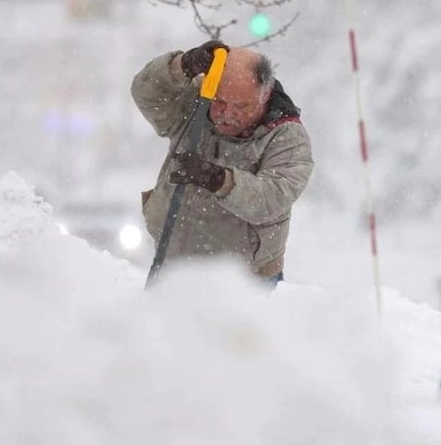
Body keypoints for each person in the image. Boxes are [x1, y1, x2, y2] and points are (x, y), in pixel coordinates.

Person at [132, 40, 313, 284]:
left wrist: (217, 179)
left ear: (265, 95)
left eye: (241, 106)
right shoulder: (195, 103)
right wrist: (182, 66)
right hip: (174, 264)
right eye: (219, 102)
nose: (228, 114)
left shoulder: (287, 136)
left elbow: (271, 199)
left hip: (247, 280)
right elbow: (146, 93)